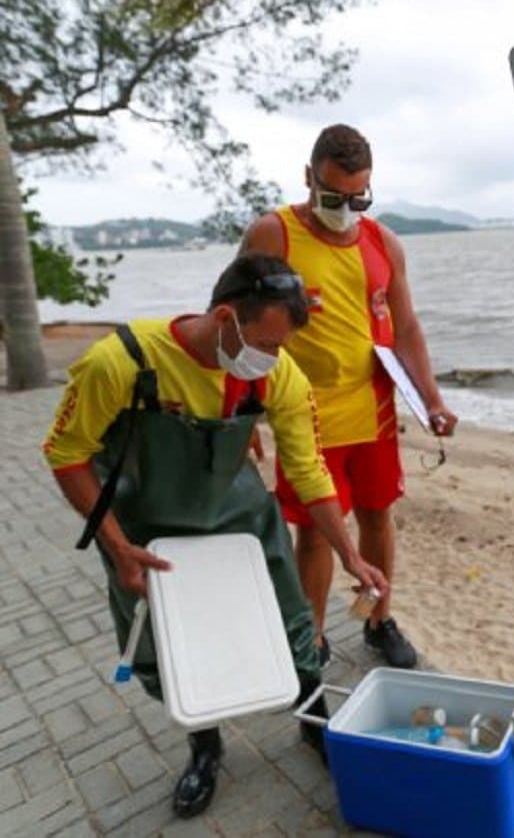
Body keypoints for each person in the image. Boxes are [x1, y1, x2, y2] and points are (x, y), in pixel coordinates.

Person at [42, 254, 389, 819]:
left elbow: (307, 469)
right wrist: (116, 544)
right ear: (225, 316)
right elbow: (66, 455)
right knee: (173, 644)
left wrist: (349, 550)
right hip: (143, 526)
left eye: (282, 347)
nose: (273, 359)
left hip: (236, 513)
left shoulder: (277, 375)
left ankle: (314, 718)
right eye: (268, 343)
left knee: (290, 618)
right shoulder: (121, 362)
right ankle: (204, 745)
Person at [239, 123, 457, 670]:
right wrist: (240, 413)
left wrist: (431, 399)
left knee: (378, 515)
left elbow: (405, 327)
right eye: (333, 196)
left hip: (375, 410)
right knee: (312, 531)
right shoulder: (275, 234)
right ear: (308, 177)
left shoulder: (383, 242)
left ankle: (379, 620)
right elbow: (237, 322)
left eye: (358, 197)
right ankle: (310, 635)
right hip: (303, 414)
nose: (345, 208)